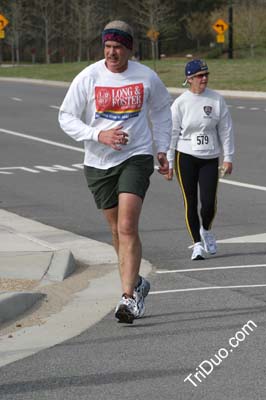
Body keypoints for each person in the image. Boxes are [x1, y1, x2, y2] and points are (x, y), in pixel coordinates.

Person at [58, 20, 172, 323]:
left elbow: (162, 111)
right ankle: (136, 282)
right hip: (98, 162)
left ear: (129, 49)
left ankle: (128, 299)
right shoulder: (90, 76)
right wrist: (99, 135)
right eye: (107, 47)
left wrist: (163, 149)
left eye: (117, 48)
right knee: (115, 231)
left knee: (126, 226)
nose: (111, 53)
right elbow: (66, 116)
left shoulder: (146, 77)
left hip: (136, 157)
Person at [167, 59, 235, 260]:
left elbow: (226, 129)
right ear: (189, 79)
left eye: (206, 75)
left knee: (208, 203)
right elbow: (171, 133)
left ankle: (206, 229)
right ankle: (197, 243)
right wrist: (170, 161)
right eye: (199, 76)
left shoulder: (216, 99)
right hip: (185, 155)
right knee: (190, 201)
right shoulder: (180, 103)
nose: (204, 78)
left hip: (210, 157)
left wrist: (228, 157)